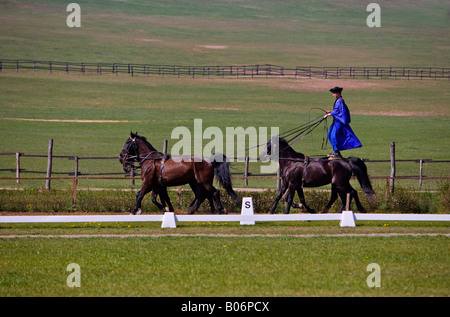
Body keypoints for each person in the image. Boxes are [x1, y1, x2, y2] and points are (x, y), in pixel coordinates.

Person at [323, 87, 362, 158]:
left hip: (338, 122)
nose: (333, 95)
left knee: (333, 136)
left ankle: (336, 153)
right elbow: (338, 110)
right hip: (335, 122)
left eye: (334, 93)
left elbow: (338, 112)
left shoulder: (339, 101)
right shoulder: (338, 100)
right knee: (329, 135)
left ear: (338, 93)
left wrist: (329, 114)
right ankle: (336, 151)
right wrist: (331, 112)